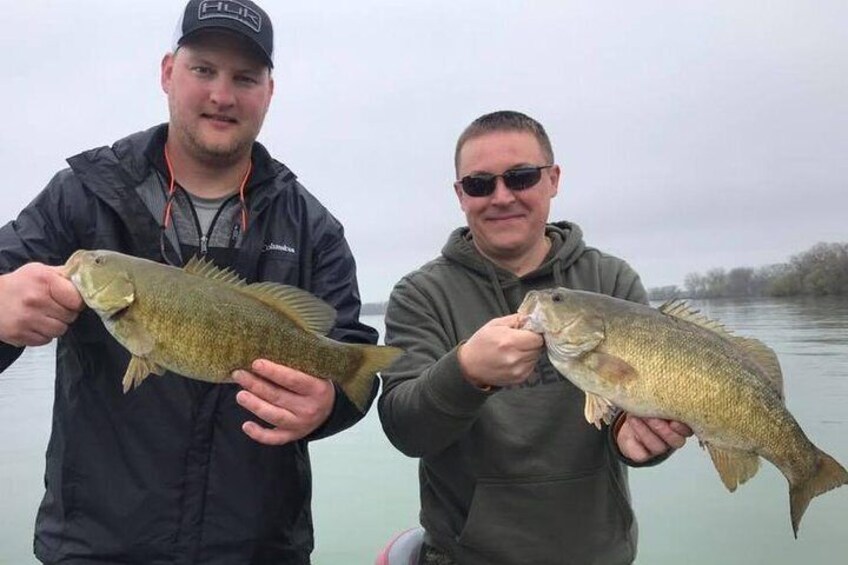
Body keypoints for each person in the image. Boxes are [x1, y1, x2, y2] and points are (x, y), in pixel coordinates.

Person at [0, 1, 378, 563]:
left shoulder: (313, 228)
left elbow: (353, 361)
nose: (222, 95)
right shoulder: (80, 196)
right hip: (96, 548)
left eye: (244, 78)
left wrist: (329, 407)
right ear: (167, 72)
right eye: (203, 69)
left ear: (269, 92)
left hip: (258, 550)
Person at [378, 110, 694, 565]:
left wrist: (643, 442)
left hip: (599, 553)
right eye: (480, 184)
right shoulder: (421, 294)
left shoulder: (610, 280)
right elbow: (405, 430)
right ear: (460, 195)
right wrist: (466, 373)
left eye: (521, 177)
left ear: (553, 179)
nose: (501, 197)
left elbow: (639, 411)